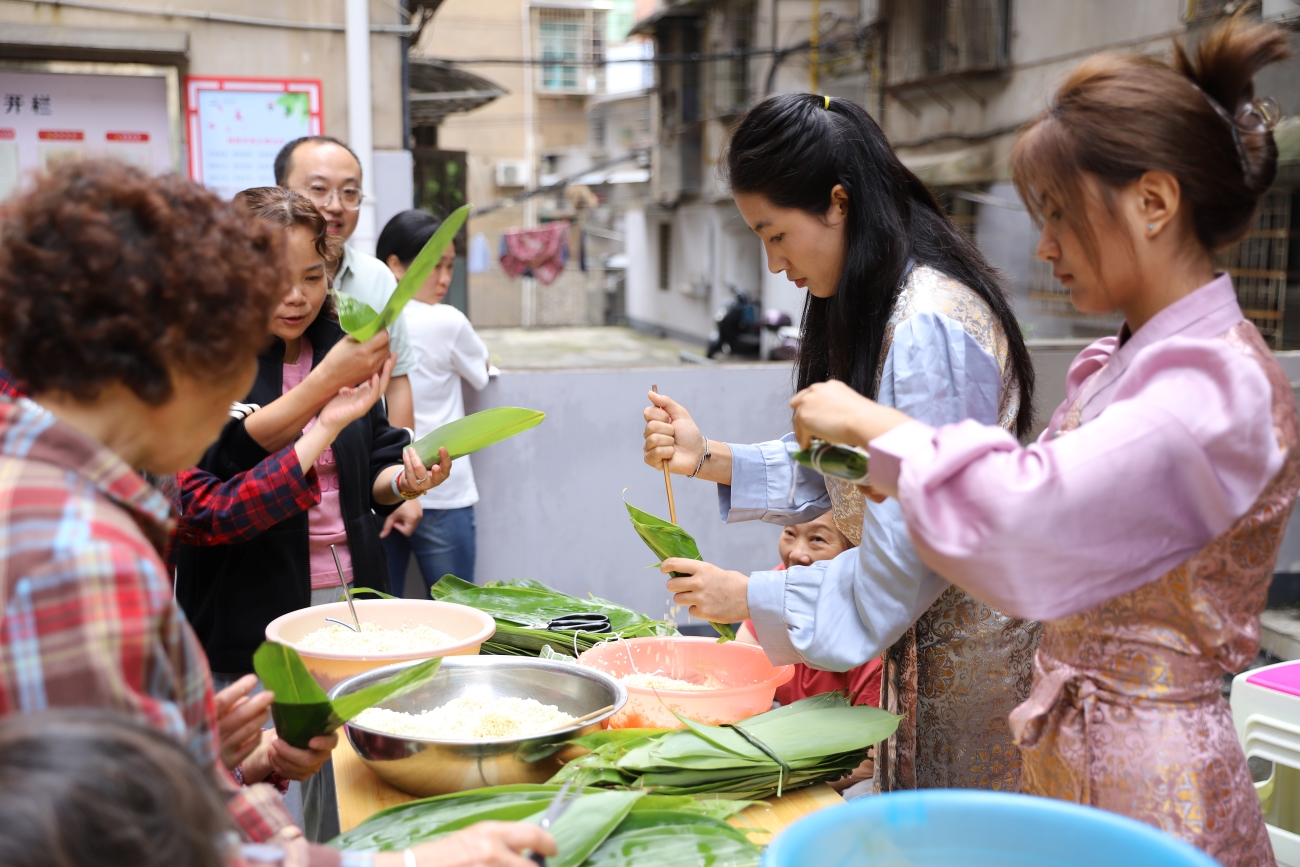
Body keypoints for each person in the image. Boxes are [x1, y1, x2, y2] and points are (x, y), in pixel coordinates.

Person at [780, 17, 1292, 866]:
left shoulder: (1218, 384)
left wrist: (881, 428)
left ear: (1154, 202)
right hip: (1075, 757)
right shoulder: (1130, 362)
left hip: (1152, 789)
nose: (1044, 246)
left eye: (1058, 215)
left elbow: (1031, 514)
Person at [0, 159, 553, 866]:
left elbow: (145, 793)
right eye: (234, 333)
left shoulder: (56, 488)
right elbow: (137, 846)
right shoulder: (75, 552)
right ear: (169, 344)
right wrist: (410, 861)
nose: (245, 384)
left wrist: (221, 759)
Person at [643, 92, 1039, 793]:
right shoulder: (882, 300)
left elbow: (900, 559)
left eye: (775, 235)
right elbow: (856, 477)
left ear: (837, 203)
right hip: (919, 652)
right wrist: (708, 457)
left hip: (963, 664)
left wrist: (749, 596)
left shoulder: (927, 327)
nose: (773, 265)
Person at [275, 136, 426, 548]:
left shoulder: (377, 278)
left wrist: (402, 475)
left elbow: (395, 379)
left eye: (350, 191)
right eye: (319, 188)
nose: (336, 204)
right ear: (282, 194)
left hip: (357, 494)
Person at [376, 209, 491, 590]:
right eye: (433, 266)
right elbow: (481, 369)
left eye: (449, 266)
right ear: (395, 264)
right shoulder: (448, 320)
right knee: (458, 617)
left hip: (381, 487)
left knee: (380, 621)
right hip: (444, 490)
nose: (443, 279)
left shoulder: (364, 320)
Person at [735, 512, 881, 794]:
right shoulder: (779, 586)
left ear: (854, 554)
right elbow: (740, 681)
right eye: (790, 533)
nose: (797, 553)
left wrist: (772, 784)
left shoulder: (876, 630)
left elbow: (869, 760)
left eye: (817, 539)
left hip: (842, 770)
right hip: (791, 752)